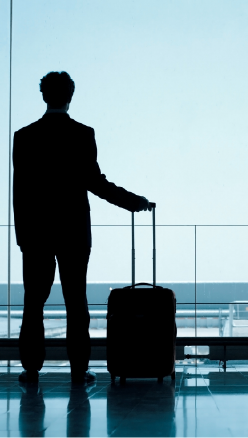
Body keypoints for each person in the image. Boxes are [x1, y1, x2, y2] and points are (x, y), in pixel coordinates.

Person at [13, 71, 151, 385]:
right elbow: (96, 184)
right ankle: (78, 369)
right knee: (76, 301)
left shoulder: (24, 137)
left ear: (44, 96)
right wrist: (135, 202)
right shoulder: (82, 134)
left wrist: (23, 238)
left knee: (34, 302)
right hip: (74, 232)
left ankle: (31, 367)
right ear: (70, 96)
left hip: (35, 235)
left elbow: (20, 192)